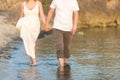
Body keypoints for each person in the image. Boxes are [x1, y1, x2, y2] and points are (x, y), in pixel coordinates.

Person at [45, 0, 79, 70]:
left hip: (68, 28)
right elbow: (51, 11)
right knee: (60, 46)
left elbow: (76, 13)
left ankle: (66, 64)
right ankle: (61, 66)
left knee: (67, 48)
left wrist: (75, 26)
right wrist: (46, 24)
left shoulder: (73, 1)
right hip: (57, 27)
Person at [16, 0, 45, 65]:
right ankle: (34, 60)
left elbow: (42, 15)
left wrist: (46, 24)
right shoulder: (23, 4)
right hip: (26, 25)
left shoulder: (38, 3)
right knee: (31, 42)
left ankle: (31, 60)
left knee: (33, 42)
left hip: (35, 26)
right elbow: (22, 16)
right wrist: (19, 25)